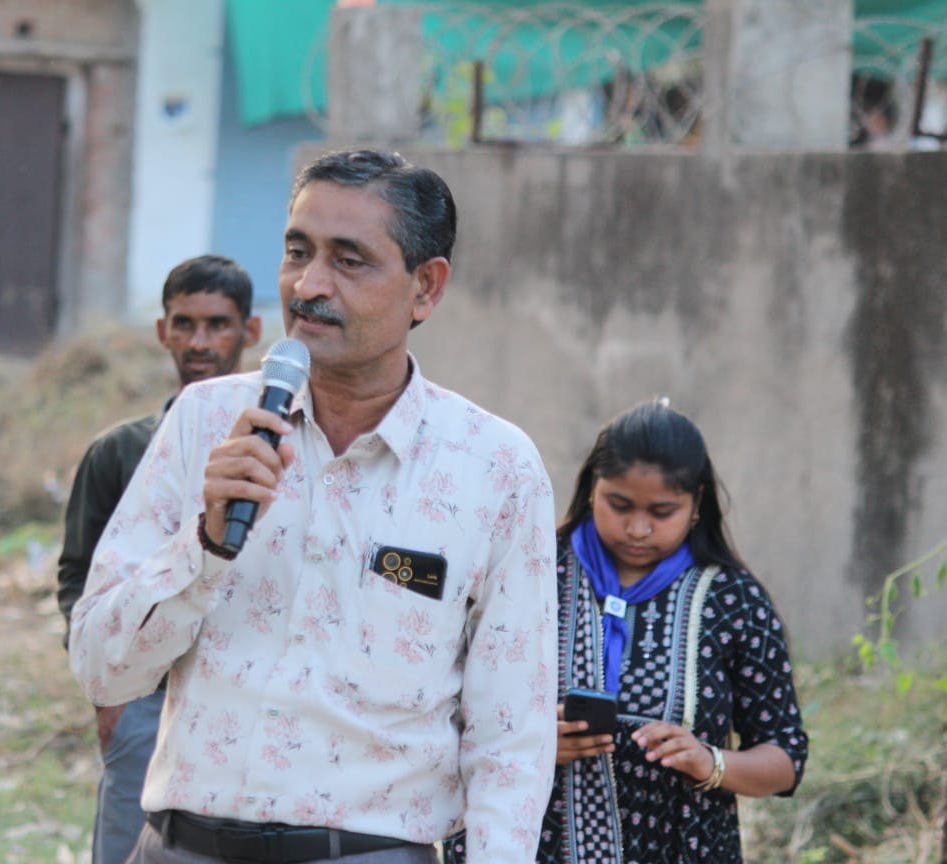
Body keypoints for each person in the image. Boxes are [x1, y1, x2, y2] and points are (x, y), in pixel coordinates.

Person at [68, 148, 559, 864]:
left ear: (425, 287)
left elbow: (511, 736)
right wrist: (203, 547)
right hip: (180, 845)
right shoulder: (205, 423)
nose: (308, 285)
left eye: (349, 261)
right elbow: (101, 669)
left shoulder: (494, 468)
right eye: (297, 252)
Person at [455, 399, 806, 863]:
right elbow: (438, 712)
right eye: (619, 505)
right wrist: (527, 744)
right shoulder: (526, 571)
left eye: (662, 512)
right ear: (591, 488)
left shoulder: (733, 600)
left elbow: (785, 758)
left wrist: (711, 762)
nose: (638, 529)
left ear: (696, 504)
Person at [58, 254, 262, 864]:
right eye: (184, 324)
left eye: (217, 324)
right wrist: (109, 697)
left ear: (250, 331)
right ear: (162, 331)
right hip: (143, 694)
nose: (200, 342)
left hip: (240, 690)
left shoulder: (277, 447)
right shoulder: (121, 451)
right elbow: (78, 577)